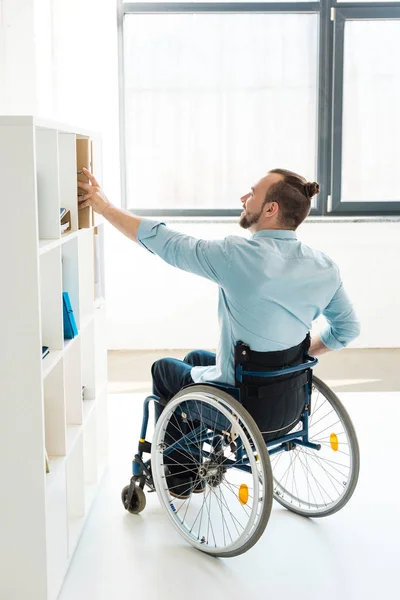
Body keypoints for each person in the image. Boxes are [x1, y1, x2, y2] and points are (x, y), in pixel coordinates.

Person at [79, 167, 360, 495]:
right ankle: (192, 453)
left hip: (244, 406)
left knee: (164, 370)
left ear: (271, 209)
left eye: (252, 193)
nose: (244, 198)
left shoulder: (236, 255)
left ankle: (179, 480)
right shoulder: (323, 265)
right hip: (289, 403)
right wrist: (297, 356)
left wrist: (106, 208)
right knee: (196, 358)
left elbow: (166, 242)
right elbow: (347, 328)